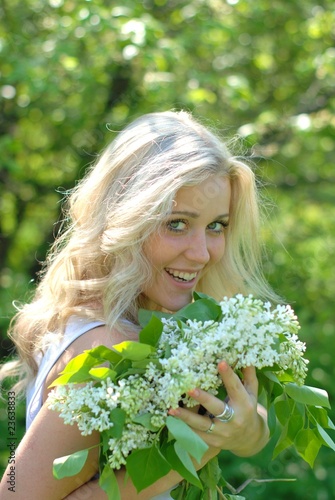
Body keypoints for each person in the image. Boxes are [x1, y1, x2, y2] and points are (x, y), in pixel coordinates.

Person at [0, 110, 275, 499]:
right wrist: (201, 447)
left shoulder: (142, 323)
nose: (201, 253)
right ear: (124, 220)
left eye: (217, 226)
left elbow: (254, 428)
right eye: (177, 223)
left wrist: (245, 429)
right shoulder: (107, 350)